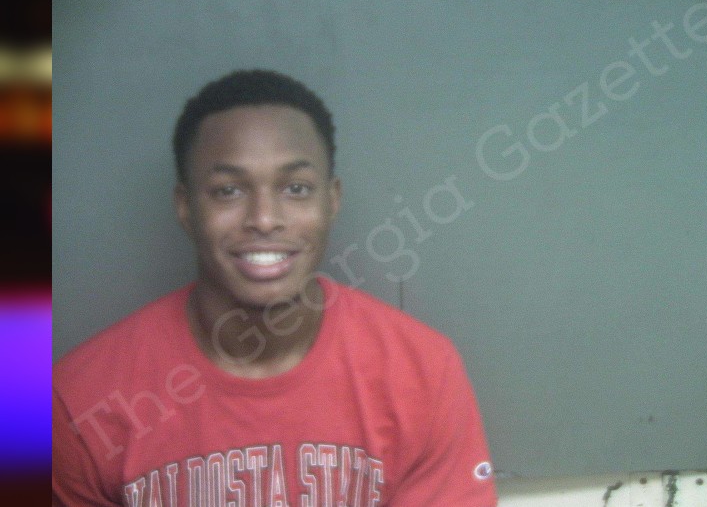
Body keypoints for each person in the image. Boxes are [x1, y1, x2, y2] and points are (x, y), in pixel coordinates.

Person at [52, 69, 498, 506]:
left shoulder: (422, 374)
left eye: (296, 188)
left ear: (331, 201)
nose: (264, 219)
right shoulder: (81, 401)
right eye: (228, 191)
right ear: (186, 208)